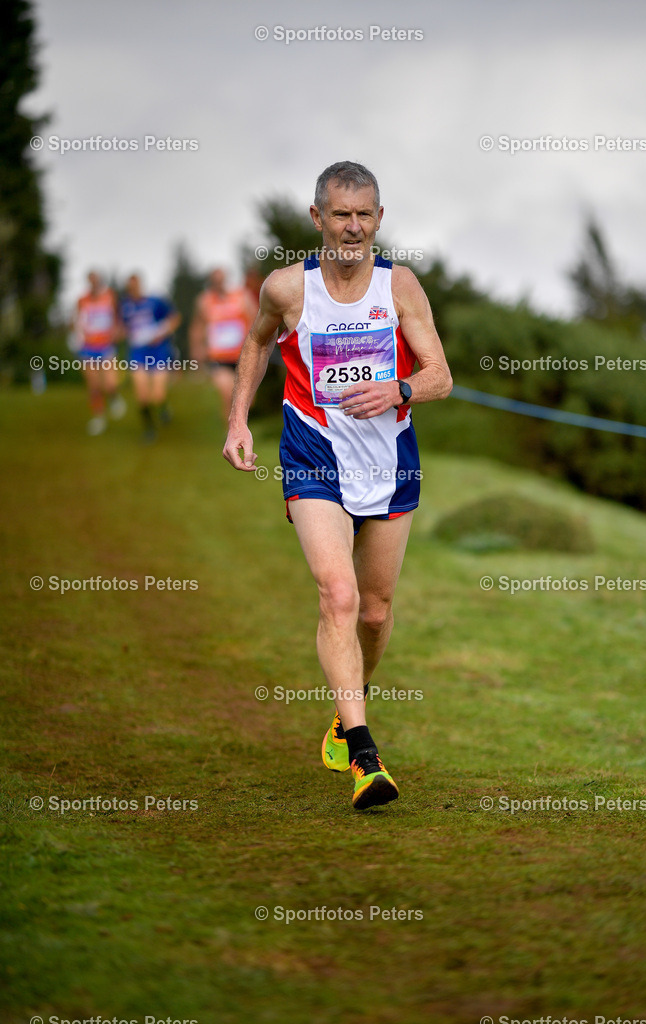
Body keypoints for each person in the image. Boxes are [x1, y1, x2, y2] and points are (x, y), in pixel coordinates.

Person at [223, 161, 452, 810]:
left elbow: (441, 375)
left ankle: (345, 706)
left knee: (375, 612)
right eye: (340, 214)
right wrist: (238, 418)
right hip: (312, 456)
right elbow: (256, 343)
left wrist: (399, 388)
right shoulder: (285, 289)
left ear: (378, 219)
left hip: (390, 461)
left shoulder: (399, 286)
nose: (352, 227)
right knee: (338, 596)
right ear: (317, 218)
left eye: (364, 214)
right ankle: (363, 753)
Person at [190, 268, 257, 424]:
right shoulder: (204, 301)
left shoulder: (242, 296)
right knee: (227, 394)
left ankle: (241, 430)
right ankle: (231, 434)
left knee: (248, 400)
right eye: (215, 281)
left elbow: (257, 319)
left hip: (243, 356)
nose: (218, 284)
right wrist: (197, 348)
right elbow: (197, 326)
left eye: (221, 280)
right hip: (219, 358)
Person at [119, 274, 181, 442]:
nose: (133, 290)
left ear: (140, 285)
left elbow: (175, 318)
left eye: (135, 286)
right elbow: (122, 327)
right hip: (138, 353)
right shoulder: (125, 306)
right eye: (130, 288)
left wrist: (161, 333)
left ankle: (162, 407)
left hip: (159, 352)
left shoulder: (155, 302)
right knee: (142, 395)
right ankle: (149, 428)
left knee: (157, 395)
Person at [73, 270, 126, 435]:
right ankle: (99, 417)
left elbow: (119, 318)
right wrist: (77, 335)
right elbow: (77, 321)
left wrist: (118, 331)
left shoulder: (111, 296)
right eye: (91, 281)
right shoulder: (82, 300)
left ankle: (114, 397)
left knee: (110, 383)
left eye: (96, 280)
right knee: (94, 385)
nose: (93, 283)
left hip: (106, 345)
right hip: (88, 346)